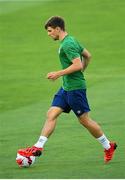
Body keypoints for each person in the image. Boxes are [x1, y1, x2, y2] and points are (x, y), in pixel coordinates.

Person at [18, 16, 117, 163]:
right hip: (66, 87)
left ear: (58, 29)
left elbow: (77, 65)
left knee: (84, 120)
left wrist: (59, 73)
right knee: (51, 113)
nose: (49, 34)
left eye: (50, 31)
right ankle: (38, 147)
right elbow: (87, 56)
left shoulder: (67, 44)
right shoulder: (71, 40)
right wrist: (81, 71)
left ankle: (108, 146)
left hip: (75, 89)